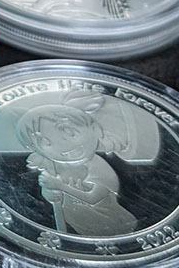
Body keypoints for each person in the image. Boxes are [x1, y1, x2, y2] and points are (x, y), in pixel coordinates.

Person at [14, 98, 137, 237]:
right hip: (80, 227)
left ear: (95, 130)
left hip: (113, 224)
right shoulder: (54, 167)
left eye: (68, 131)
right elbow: (52, 194)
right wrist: (49, 192)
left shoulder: (97, 166)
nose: (62, 144)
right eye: (45, 141)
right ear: (36, 150)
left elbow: (93, 198)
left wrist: (60, 186)